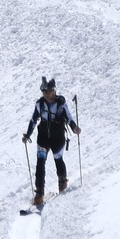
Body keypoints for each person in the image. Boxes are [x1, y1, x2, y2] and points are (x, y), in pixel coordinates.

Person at [22, 77, 80, 205]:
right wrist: (27, 135)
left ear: (54, 91)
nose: (48, 95)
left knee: (58, 160)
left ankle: (62, 182)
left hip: (58, 138)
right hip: (43, 138)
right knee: (40, 164)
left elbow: (69, 118)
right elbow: (33, 120)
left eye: (50, 92)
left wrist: (74, 128)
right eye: (45, 93)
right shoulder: (39, 104)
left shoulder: (61, 103)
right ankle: (39, 193)